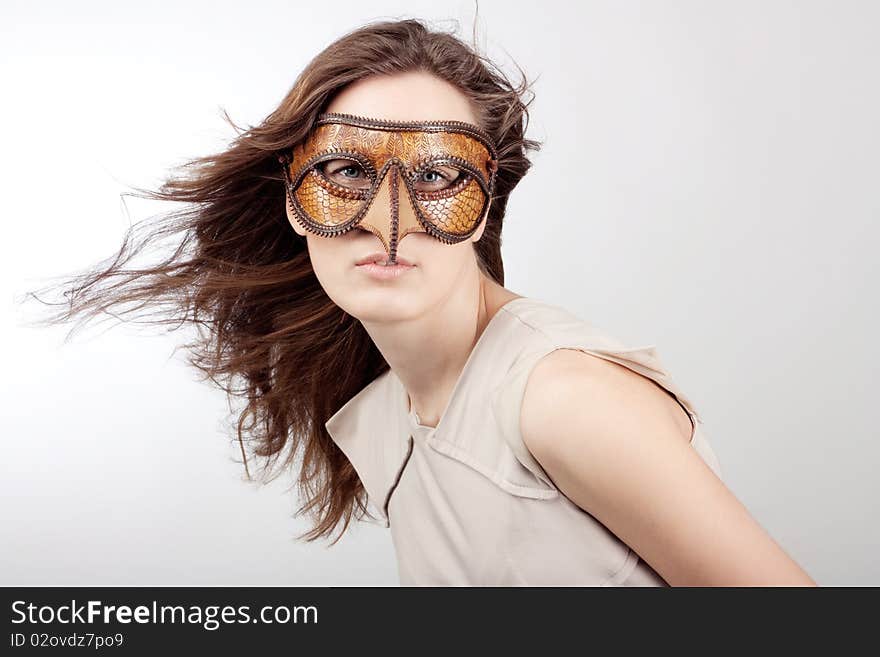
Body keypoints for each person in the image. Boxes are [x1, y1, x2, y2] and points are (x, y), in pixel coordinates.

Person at [26, 18, 816, 586]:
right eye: (345, 172)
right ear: (294, 199)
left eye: (437, 175)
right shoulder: (387, 406)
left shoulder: (564, 398)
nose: (387, 220)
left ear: (486, 199)